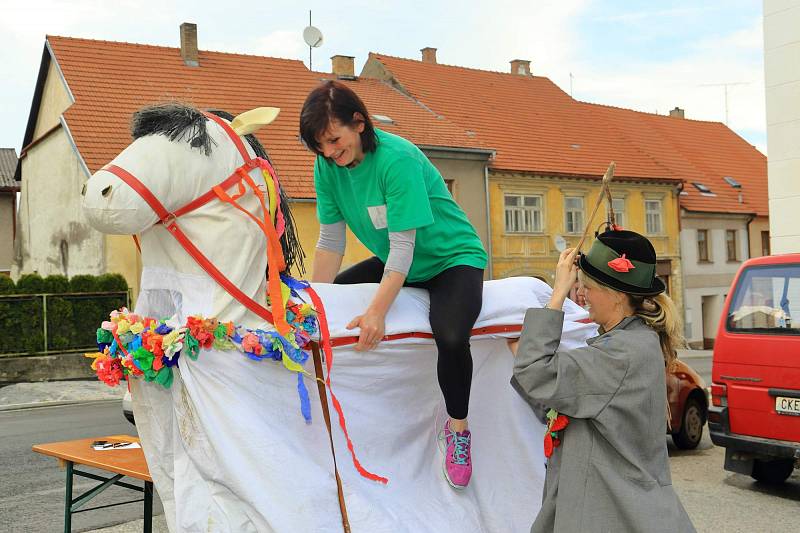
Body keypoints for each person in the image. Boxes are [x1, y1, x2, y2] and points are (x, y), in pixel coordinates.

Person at [299, 80, 488, 489]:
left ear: (359, 123)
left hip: (450, 260)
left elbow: (403, 248)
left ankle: (458, 429)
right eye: (321, 147)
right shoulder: (327, 167)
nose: (330, 153)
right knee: (332, 297)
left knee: (452, 336)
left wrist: (376, 312)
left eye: (334, 140)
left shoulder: (397, 159)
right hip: (396, 262)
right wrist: (312, 303)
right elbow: (330, 241)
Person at [507, 229, 696, 532]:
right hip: (609, 508)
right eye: (578, 286)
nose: (580, 295)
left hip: (613, 514)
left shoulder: (621, 353)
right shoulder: (631, 342)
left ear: (618, 295)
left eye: (587, 287)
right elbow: (565, 404)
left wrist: (556, 296)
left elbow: (534, 372)